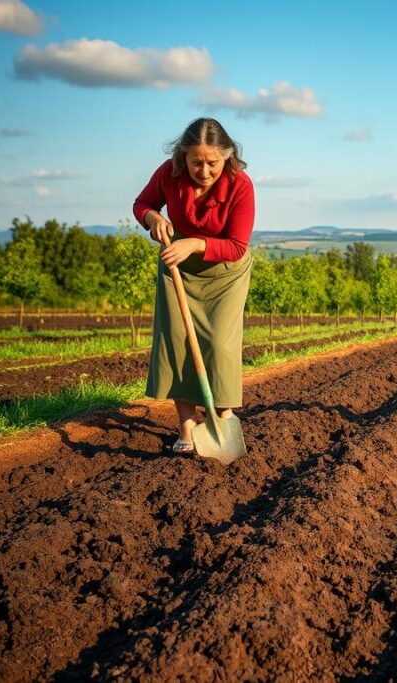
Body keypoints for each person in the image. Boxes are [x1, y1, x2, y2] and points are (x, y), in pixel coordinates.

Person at [133, 118, 255, 454]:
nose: (204, 171)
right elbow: (142, 204)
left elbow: (236, 245)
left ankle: (222, 415)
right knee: (177, 342)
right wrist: (153, 218)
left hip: (225, 271)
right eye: (196, 162)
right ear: (183, 156)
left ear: (226, 157)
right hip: (178, 268)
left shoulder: (240, 185)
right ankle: (186, 429)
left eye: (212, 163)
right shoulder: (169, 173)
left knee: (219, 344)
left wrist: (195, 244)